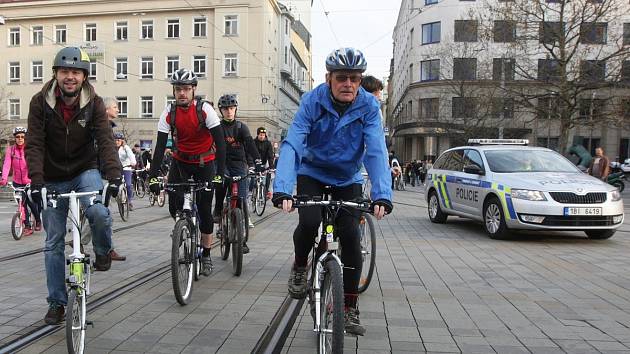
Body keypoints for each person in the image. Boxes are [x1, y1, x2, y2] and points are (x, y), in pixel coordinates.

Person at [272, 47, 393, 336]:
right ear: (329, 78)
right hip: (312, 173)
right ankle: (301, 265)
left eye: (354, 78)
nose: (348, 84)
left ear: (360, 80)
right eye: (342, 78)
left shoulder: (369, 107)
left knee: (351, 235)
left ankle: (349, 307)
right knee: (310, 222)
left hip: (347, 178)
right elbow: (293, 144)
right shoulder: (311, 101)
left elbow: (376, 150)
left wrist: (382, 194)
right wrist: (283, 188)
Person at [25, 46, 122, 325]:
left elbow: (104, 140)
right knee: (53, 241)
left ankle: (103, 251)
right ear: (56, 74)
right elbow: (34, 143)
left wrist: (113, 176)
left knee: (99, 212)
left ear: (84, 77)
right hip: (52, 176)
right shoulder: (39, 102)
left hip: (84, 170)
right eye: (65, 71)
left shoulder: (94, 103)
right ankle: (57, 302)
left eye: (76, 72)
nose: (70, 77)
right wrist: (36, 181)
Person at [148, 68, 226, 276]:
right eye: (178, 89)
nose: (182, 93)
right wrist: (153, 176)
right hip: (180, 162)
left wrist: (220, 173)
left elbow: (220, 143)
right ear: (174, 91)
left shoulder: (205, 110)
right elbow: (159, 147)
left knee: (204, 209)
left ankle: (207, 253)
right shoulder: (168, 113)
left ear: (193, 90)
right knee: (174, 204)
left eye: (186, 89)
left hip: (204, 163)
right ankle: (183, 226)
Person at [213, 94, 262, 250]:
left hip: (239, 165)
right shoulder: (217, 127)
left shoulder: (241, 127)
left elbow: (250, 145)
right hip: (222, 164)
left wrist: (258, 161)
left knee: (241, 199)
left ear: (235, 109)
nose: (229, 111)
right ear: (221, 110)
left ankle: (242, 239)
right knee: (221, 185)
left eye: (232, 108)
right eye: (226, 109)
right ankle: (219, 210)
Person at [1, 127, 42, 235]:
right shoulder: (11, 150)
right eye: (18, 137)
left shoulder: (29, 149)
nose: (20, 139)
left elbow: (33, 164)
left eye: (22, 137)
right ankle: (27, 226)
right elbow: (6, 165)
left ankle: (38, 220)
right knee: (21, 203)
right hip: (17, 181)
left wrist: (35, 177)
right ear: (15, 138)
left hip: (29, 180)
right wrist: (4, 178)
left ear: (25, 138)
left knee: (29, 201)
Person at [103, 97, 127, 261]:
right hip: (102, 176)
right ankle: (107, 249)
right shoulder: (102, 128)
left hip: (106, 175)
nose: (118, 109)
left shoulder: (108, 127)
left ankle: (107, 248)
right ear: (106, 110)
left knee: (103, 214)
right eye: (115, 107)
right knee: (104, 215)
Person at [114, 132, 136, 210]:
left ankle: (129, 201)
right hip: (117, 169)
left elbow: (131, 155)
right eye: (115, 140)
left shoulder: (125, 148)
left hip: (126, 168)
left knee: (128, 185)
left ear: (122, 141)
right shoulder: (113, 148)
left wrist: (133, 162)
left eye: (118, 140)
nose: (117, 142)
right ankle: (118, 196)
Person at [253, 127, 275, 199]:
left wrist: (271, 167)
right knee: (253, 178)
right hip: (254, 163)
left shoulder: (268, 143)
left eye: (263, 135)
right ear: (258, 135)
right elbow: (250, 153)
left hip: (263, 163)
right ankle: (251, 192)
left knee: (268, 174)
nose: (262, 136)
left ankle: (266, 191)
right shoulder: (253, 142)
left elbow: (270, 156)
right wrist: (250, 165)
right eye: (260, 135)